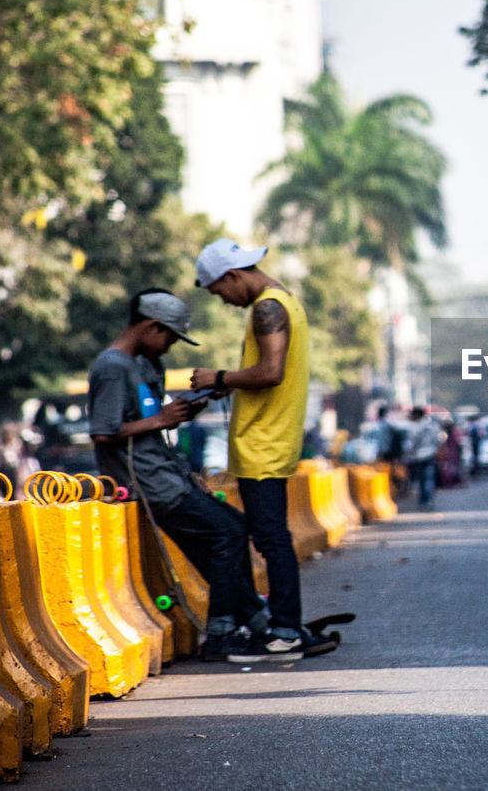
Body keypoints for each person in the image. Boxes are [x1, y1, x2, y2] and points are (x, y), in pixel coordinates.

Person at [87, 289, 271, 662]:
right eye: (169, 336)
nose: (170, 346)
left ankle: (255, 619)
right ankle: (223, 632)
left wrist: (187, 409)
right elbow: (104, 432)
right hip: (149, 484)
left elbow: (150, 423)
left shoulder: (140, 366)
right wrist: (161, 420)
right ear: (150, 326)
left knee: (224, 533)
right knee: (228, 532)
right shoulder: (112, 366)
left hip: (168, 475)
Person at [190, 238, 333, 660]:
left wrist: (218, 377)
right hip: (270, 439)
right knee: (269, 537)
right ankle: (279, 623)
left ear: (232, 277)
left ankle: (286, 629)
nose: (225, 301)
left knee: (271, 539)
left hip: (263, 443)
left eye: (220, 291)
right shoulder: (284, 301)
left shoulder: (266, 308)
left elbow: (270, 372)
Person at [402, 407, 442, 507]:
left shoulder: (414, 427)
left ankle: (424, 499)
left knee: (421, 479)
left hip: (419, 456)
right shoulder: (432, 425)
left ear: (417, 415)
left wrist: (408, 453)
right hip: (430, 454)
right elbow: (439, 439)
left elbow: (411, 443)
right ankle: (428, 498)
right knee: (429, 478)